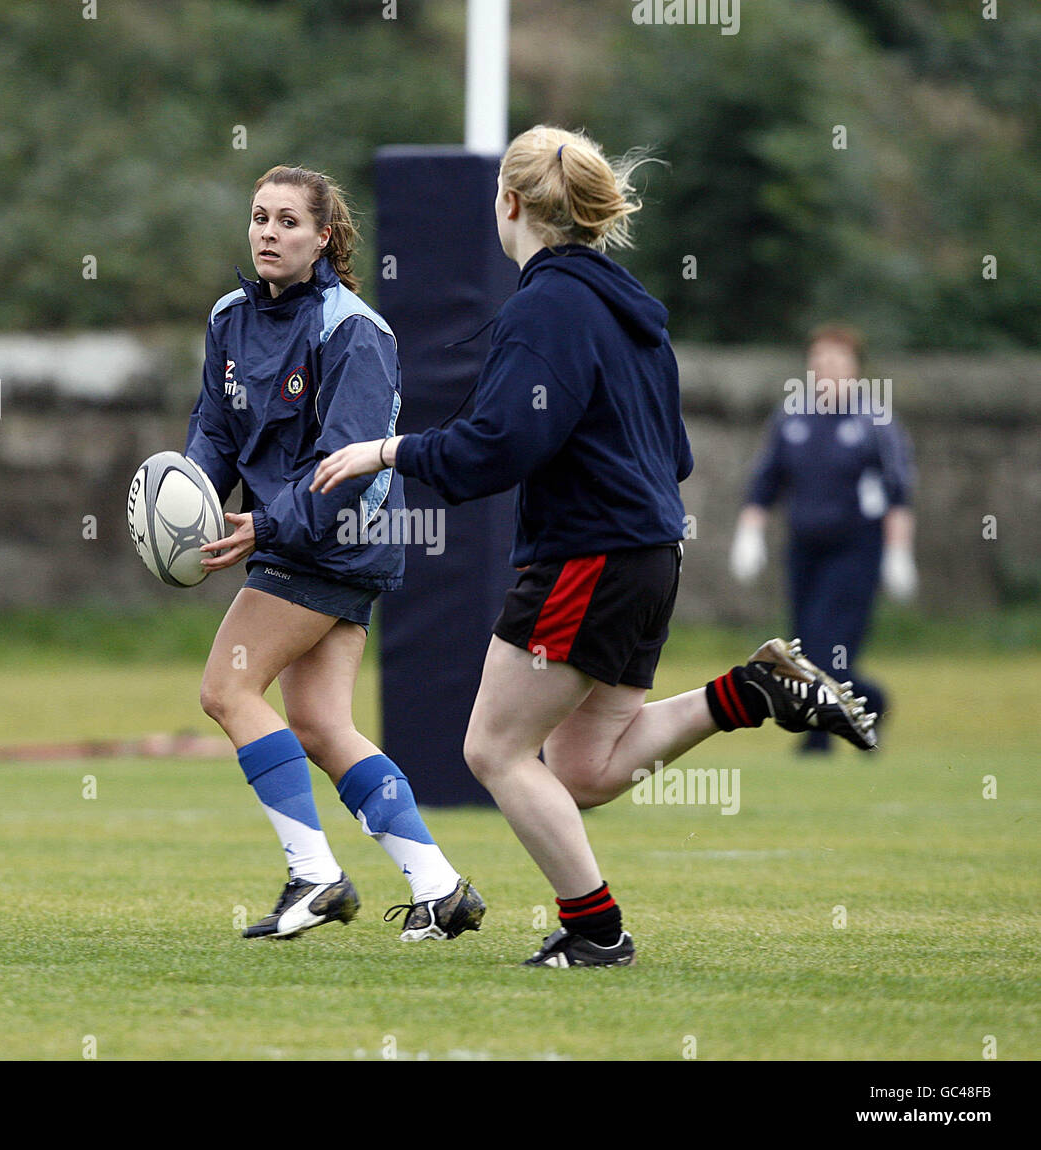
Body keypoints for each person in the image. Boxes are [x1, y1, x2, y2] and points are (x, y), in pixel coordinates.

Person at [312, 126, 875, 969]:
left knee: (491, 750)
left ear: (508, 205)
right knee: (585, 767)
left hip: (587, 557)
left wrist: (386, 451)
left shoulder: (543, 307)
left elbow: (494, 448)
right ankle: (750, 691)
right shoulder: (628, 306)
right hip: (651, 554)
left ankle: (596, 930)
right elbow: (674, 455)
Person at [183, 164, 485, 943]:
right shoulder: (228, 317)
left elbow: (347, 462)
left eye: (288, 221)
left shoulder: (352, 327)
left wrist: (265, 526)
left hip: (338, 536)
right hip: (299, 536)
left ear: (324, 237)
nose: (268, 233)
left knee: (228, 690)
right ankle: (441, 888)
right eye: (259, 218)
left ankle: (315, 875)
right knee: (320, 724)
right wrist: (192, 499)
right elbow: (216, 428)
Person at [730, 325, 917, 752]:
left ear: (854, 369)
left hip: (856, 548)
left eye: (836, 361)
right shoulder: (791, 417)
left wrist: (898, 552)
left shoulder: (875, 420)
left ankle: (820, 740)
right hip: (804, 548)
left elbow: (897, 492)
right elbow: (765, 483)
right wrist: (749, 534)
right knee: (803, 643)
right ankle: (870, 705)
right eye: (818, 360)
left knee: (830, 646)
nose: (825, 369)